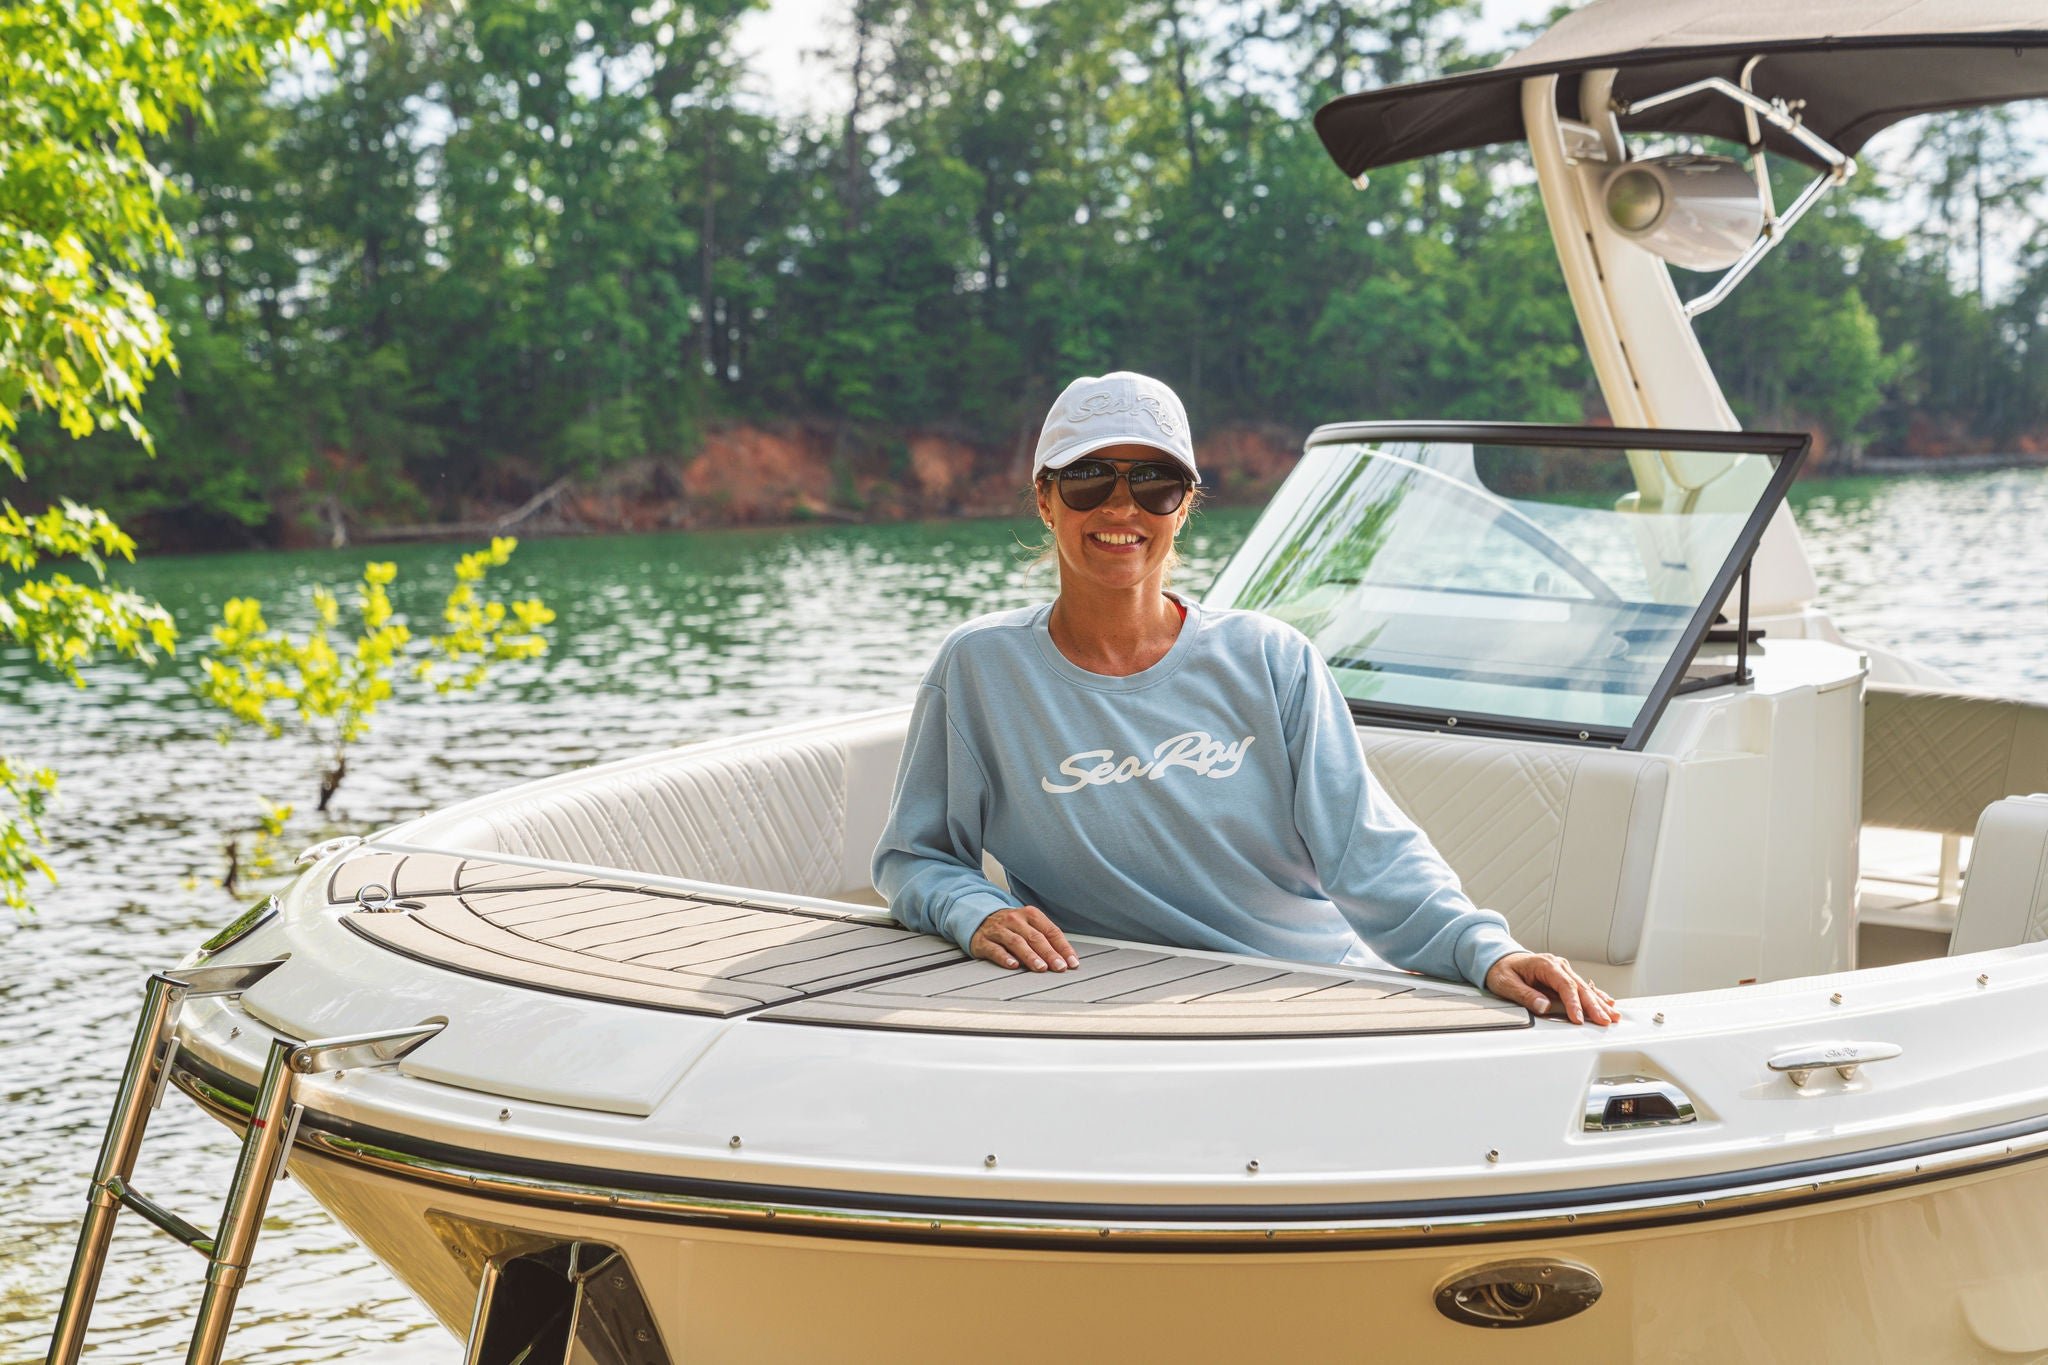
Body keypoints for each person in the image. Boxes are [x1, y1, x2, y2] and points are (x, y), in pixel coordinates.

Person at [872, 371, 1616, 1025]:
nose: (1122, 507)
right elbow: (915, 856)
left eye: (1155, 484)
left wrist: (1486, 950)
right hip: (1103, 1003)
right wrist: (977, 910)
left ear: (1187, 503)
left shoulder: (1272, 658)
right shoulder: (980, 670)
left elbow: (1371, 854)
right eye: (1090, 478)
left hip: (1306, 992)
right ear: (1045, 498)